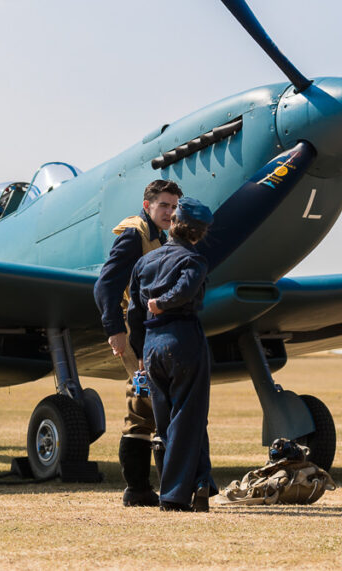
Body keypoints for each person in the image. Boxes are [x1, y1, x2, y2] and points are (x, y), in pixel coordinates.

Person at [93, 179, 183, 507]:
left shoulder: (164, 237)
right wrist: (114, 330)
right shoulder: (134, 235)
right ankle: (164, 490)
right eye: (164, 206)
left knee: (143, 407)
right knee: (155, 402)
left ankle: (140, 489)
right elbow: (105, 286)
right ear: (147, 206)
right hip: (137, 334)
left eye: (174, 207)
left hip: (155, 332)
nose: (170, 213)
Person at [127, 197, 216, 512]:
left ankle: (202, 482)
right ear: (199, 232)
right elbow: (186, 289)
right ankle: (175, 496)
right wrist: (163, 302)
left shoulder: (145, 262)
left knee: (166, 422)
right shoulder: (195, 261)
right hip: (183, 339)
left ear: (174, 223)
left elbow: (133, 313)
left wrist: (139, 351)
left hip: (152, 345)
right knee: (189, 418)